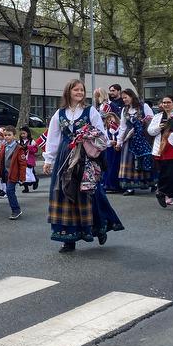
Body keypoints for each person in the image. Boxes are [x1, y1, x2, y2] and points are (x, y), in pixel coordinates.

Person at [43, 79, 122, 253]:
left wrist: (88, 136)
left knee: (91, 194)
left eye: (81, 90)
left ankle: (99, 226)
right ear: (68, 92)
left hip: (86, 157)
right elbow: (53, 138)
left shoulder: (90, 111)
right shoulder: (60, 113)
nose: (79, 92)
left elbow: (102, 136)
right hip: (65, 157)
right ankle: (68, 238)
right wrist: (48, 160)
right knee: (64, 193)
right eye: (76, 90)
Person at [117, 88, 155, 195]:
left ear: (131, 96)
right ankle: (130, 187)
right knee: (129, 160)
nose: (124, 100)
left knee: (145, 159)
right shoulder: (125, 110)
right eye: (123, 98)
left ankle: (152, 182)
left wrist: (144, 124)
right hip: (130, 138)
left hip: (143, 137)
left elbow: (152, 120)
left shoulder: (144, 107)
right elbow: (123, 127)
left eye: (125, 97)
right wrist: (119, 141)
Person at [0, 125, 27, 220]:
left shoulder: (19, 149)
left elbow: (23, 164)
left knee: (10, 191)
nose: (7, 137)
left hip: (14, 173)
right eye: (5, 135)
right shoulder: (4, 146)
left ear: (14, 136)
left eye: (9, 135)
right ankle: (15, 209)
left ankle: (16, 210)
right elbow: (1, 157)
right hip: (6, 173)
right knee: (9, 191)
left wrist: (22, 177)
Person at [147, 95, 173, 160]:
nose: (166, 104)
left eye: (168, 102)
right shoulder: (157, 117)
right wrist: (159, 127)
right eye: (164, 103)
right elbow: (150, 132)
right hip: (160, 151)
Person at [101, 112, 123, 193]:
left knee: (117, 167)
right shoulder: (106, 130)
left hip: (118, 150)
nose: (110, 121)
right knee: (109, 168)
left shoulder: (120, 127)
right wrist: (110, 142)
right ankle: (109, 185)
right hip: (109, 150)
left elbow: (122, 136)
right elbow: (104, 140)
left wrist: (118, 143)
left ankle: (118, 185)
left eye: (112, 118)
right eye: (108, 119)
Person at [19, 126, 39, 193]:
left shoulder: (31, 141)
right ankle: (26, 187)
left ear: (28, 133)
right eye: (21, 134)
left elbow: (35, 150)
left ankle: (35, 181)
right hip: (22, 160)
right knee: (23, 174)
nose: (23, 135)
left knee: (31, 173)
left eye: (24, 133)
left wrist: (28, 147)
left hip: (29, 160)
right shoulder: (20, 142)